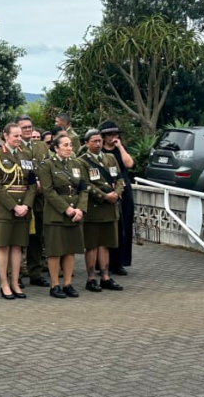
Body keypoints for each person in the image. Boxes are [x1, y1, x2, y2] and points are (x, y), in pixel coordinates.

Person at [0, 124, 34, 300]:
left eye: (20, 135)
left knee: (17, 247)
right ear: (5, 136)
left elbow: (31, 183)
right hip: (5, 209)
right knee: (3, 246)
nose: (18, 138)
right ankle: (4, 283)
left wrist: (26, 206)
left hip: (23, 207)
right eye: (15, 135)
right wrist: (14, 206)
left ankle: (15, 282)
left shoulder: (26, 155)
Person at [39, 134, 87, 299]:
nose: (69, 148)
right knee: (55, 251)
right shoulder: (47, 165)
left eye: (70, 145)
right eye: (65, 145)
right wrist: (66, 208)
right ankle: (55, 285)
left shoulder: (77, 164)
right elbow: (48, 191)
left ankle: (67, 283)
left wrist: (80, 209)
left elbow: (83, 188)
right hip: (56, 214)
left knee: (70, 249)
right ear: (56, 148)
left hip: (74, 212)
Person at [80, 130, 125, 292]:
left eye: (99, 141)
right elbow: (85, 184)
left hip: (110, 207)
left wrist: (117, 193)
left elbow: (119, 179)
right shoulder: (83, 161)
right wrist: (104, 196)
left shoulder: (110, 158)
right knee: (91, 245)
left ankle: (105, 277)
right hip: (94, 208)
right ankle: (91, 278)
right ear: (86, 143)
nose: (98, 144)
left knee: (105, 244)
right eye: (94, 141)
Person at [18, 115, 51, 287]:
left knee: (37, 238)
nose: (28, 130)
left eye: (30, 127)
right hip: (21, 198)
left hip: (39, 199)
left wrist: (42, 183)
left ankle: (35, 273)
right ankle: (15, 275)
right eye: (24, 127)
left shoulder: (41, 146)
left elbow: (47, 167)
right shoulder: (14, 147)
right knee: (19, 239)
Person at [99, 121, 135, 276]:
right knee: (108, 227)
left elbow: (129, 164)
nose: (113, 137)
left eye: (115, 134)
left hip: (123, 188)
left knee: (124, 226)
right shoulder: (99, 151)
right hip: (106, 188)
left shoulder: (120, 149)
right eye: (110, 135)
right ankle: (102, 263)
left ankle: (119, 262)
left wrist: (120, 147)